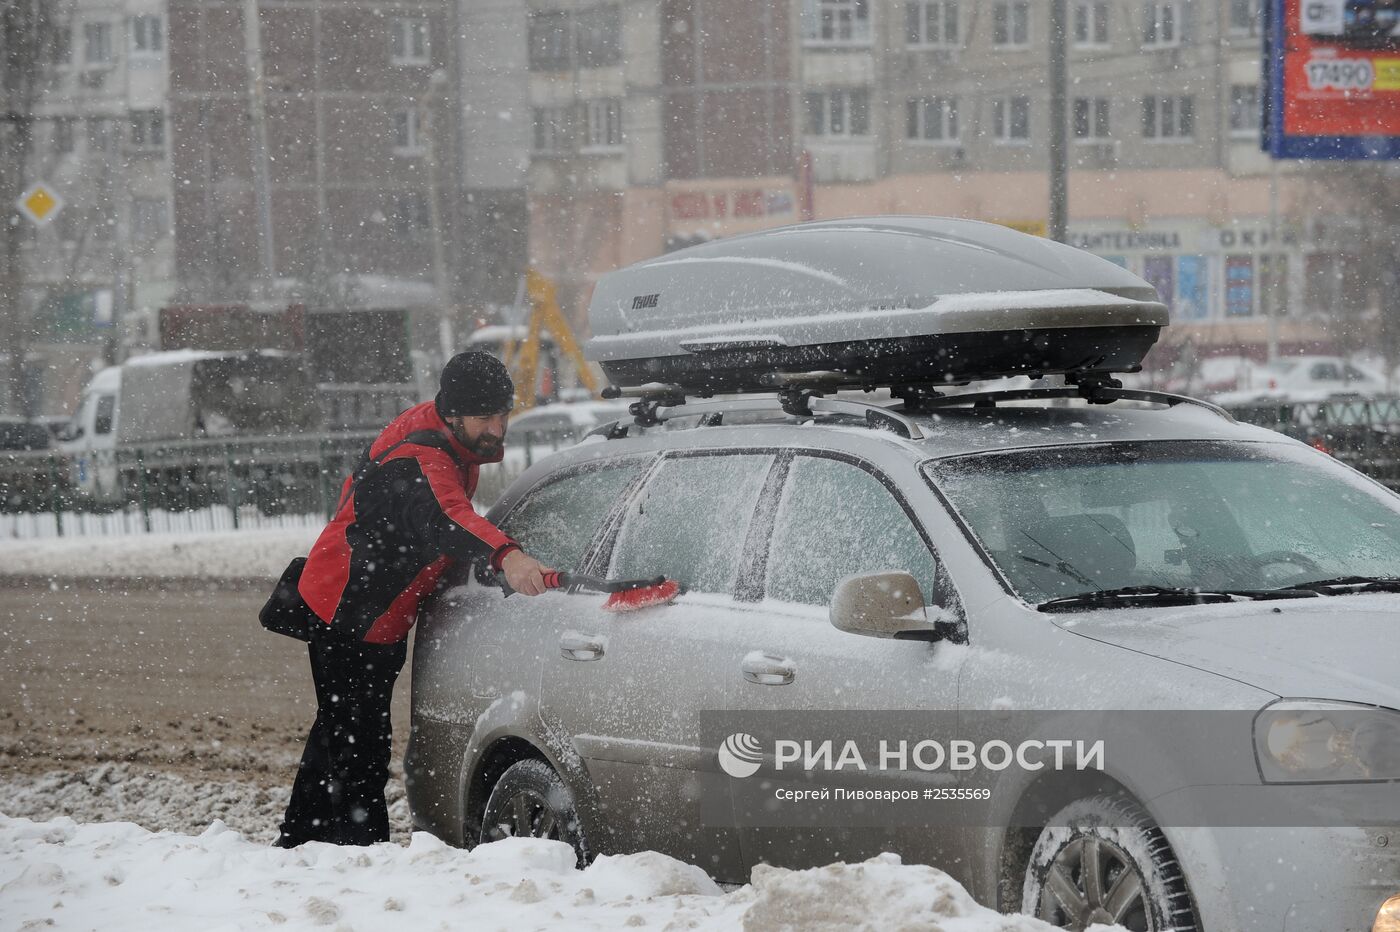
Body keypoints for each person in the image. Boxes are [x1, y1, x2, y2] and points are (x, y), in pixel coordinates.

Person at [275, 351, 553, 847]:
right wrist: (506, 555)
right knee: (360, 748)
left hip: (368, 605)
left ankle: (300, 843)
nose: (497, 427)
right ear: (452, 414)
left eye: (502, 414)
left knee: (337, 736)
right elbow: (447, 517)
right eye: (485, 417)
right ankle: (362, 857)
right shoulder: (423, 455)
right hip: (348, 608)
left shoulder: (445, 439)